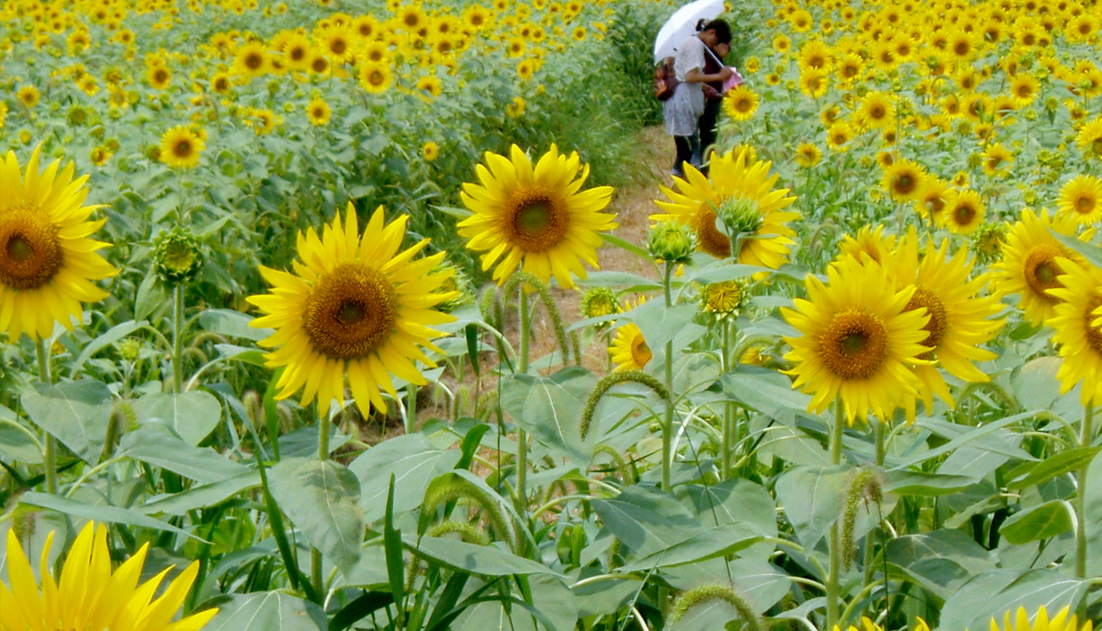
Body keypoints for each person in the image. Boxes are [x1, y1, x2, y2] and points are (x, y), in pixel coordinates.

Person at [662, 19, 732, 178]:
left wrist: (704, 86)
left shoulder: (693, 42)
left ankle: (683, 175)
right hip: (684, 96)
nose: (714, 46)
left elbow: (688, 74)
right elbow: (690, 76)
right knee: (688, 144)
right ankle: (684, 178)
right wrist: (719, 76)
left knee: (687, 143)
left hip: (686, 94)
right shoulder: (695, 45)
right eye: (716, 41)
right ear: (712, 32)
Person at [696, 40, 730, 175]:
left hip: (714, 96)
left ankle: (705, 169)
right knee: (705, 135)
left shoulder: (712, 49)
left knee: (710, 135)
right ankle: (700, 170)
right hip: (703, 96)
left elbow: (724, 52)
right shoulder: (698, 50)